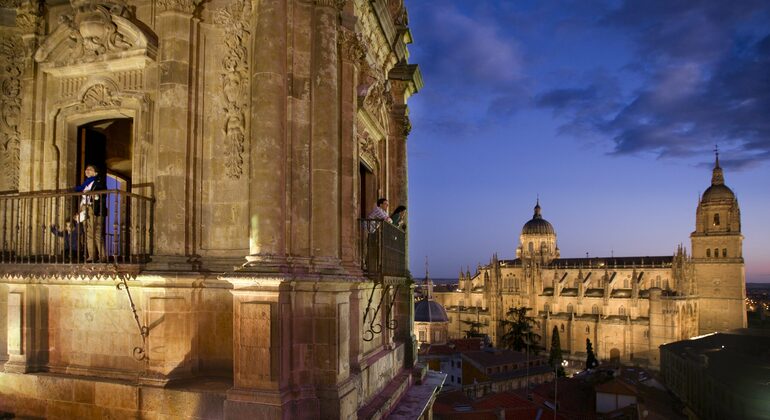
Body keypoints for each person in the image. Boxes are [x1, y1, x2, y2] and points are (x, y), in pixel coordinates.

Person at [74, 165, 107, 262]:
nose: (87, 171)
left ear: (95, 173)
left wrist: (91, 193)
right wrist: (80, 210)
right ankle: (91, 256)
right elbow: (83, 198)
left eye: (90, 169)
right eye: (86, 169)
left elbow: (102, 193)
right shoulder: (85, 184)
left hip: (94, 209)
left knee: (96, 233)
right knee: (88, 233)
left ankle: (102, 256)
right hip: (85, 208)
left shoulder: (99, 182)